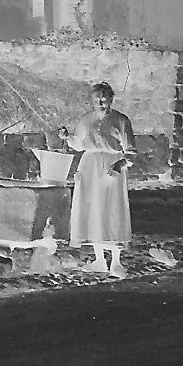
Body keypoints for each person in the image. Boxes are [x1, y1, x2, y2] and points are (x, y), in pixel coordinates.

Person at [64, 81, 136, 277]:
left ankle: (116, 262)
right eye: (97, 100)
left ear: (111, 99)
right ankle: (99, 260)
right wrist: (67, 137)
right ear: (92, 101)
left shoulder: (121, 120)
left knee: (112, 209)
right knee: (92, 208)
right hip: (89, 166)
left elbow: (131, 152)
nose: (101, 103)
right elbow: (78, 144)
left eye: (104, 100)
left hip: (112, 167)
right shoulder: (85, 120)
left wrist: (119, 165)